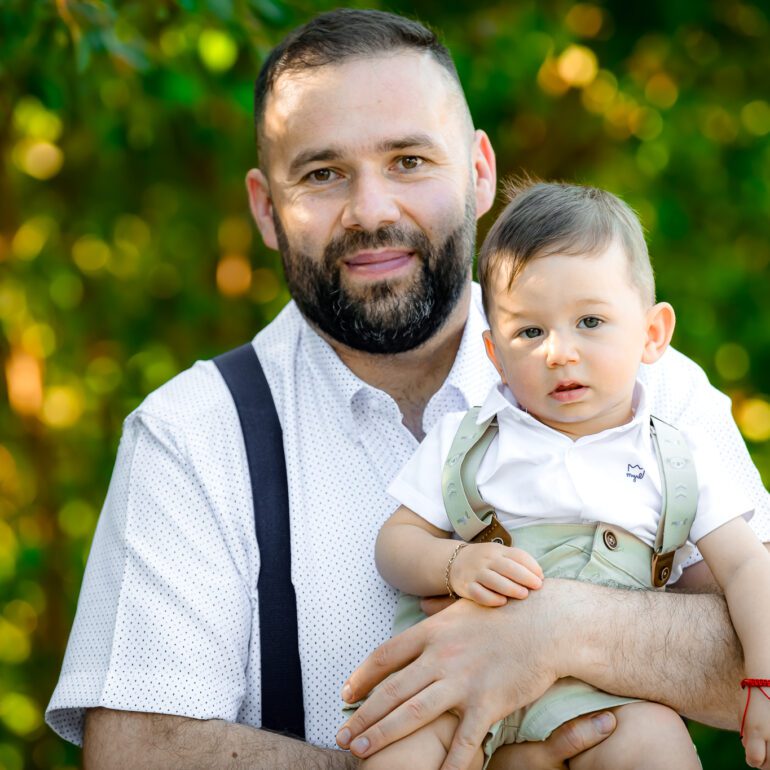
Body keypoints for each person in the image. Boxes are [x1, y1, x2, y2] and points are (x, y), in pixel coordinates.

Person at [44, 9, 770, 770]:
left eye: (409, 161)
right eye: (323, 174)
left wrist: (557, 627)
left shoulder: (645, 384)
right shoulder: (191, 435)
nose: (372, 211)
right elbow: (135, 751)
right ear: (265, 207)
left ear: (480, 171)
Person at [364, 179, 770, 770]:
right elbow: (394, 543)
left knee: (657, 748)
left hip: (606, 690)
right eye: (530, 332)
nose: (559, 351)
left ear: (653, 334)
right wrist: (453, 562)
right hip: (460, 675)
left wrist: (762, 681)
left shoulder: (678, 457)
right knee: (398, 747)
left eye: (590, 322)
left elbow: (749, 566)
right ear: (496, 355)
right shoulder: (470, 438)